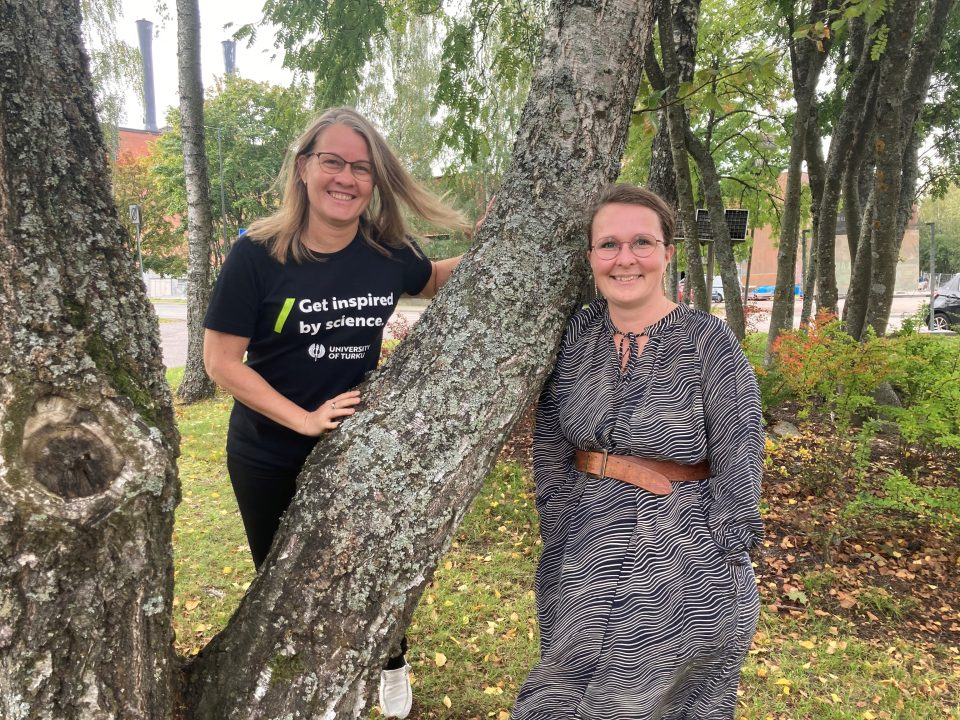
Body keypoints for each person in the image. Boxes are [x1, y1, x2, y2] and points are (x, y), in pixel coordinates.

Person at [203, 107, 470, 719]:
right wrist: (300, 418)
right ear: (303, 168)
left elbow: (431, 279)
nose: (346, 177)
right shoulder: (256, 253)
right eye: (333, 161)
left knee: (372, 566)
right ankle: (309, 684)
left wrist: (503, 237)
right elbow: (221, 361)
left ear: (375, 182)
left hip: (354, 448)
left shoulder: (385, 251)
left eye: (362, 167)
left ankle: (392, 657)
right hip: (268, 450)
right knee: (285, 581)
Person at [513, 184, 764, 719]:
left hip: (681, 562)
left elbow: (740, 459)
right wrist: (558, 524)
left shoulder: (709, 342)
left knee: (634, 704)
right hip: (581, 550)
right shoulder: (575, 334)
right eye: (608, 245)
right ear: (590, 257)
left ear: (668, 253)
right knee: (557, 696)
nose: (624, 258)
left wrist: (716, 552)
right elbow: (552, 439)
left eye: (642, 243)